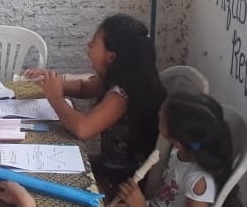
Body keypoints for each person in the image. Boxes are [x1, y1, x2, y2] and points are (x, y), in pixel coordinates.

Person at [26, 14, 166, 184]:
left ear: (111, 57)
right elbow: (83, 87)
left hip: (121, 180)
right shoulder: (119, 77)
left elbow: (82, 128)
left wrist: (55, 98)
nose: (88, 44)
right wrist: (51, 80)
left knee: (46, 171)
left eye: (94, 41)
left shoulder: (121, 96)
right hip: (108, 165)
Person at [112, 92, 233, 207]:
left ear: (177, 139)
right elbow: (167, 203)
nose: (159, 112)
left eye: (162, 115)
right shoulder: (179, 154)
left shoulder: (200, 182)